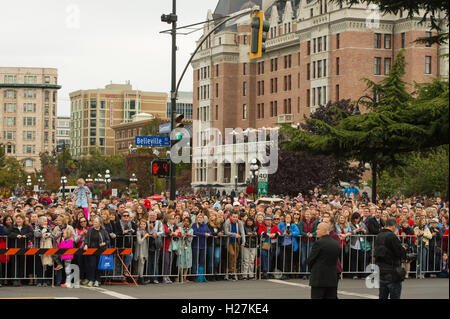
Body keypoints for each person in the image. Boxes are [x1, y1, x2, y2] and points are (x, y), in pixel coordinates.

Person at [374, 217, 407, 299]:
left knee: (382, 296)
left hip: (381, 269)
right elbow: (399, 252)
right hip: (392, 271)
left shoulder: (379, 235)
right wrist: (403, 249)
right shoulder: (392, 236)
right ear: (393, 226)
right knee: (394, 296)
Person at [307, 222, 340, 299]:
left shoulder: (319, 243)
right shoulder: (336, 243)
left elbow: (310, 260)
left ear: (325, 230)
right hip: (332, 278)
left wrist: (312, 269)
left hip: (319, 278)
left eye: (318, 229)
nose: (316, 231)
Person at [83, 216, 110, 287]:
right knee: (92, 265)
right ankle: (91, 280)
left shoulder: (103, 231)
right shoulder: (90, 230)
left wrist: (104, 243)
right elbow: (86, 238)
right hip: (91, 250)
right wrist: (86, 245)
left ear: (100, 223)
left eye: (96, 222)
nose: (94, 223)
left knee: (98, 266)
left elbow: (108, 240)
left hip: (100, 250)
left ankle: (98, 280)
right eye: (94, 222)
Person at [224, 211, 246, 281]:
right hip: (229, 241)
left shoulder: (239, 222)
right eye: (233, 217)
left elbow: (242, 232)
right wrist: (234, 234)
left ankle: (232, 273)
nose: (235, 218)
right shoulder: (227, 222)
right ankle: (231, 272)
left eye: (236, 217)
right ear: (231, 216)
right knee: (232, 254)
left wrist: (243, 241)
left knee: (235, 258)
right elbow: (226, 232)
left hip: (236, 242)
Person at [258, 215, 282, 279]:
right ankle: (265, 272)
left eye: (269, 220)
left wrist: (275, 234)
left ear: (271, 221)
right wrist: (267, 234)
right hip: (264, 245)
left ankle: (268, 272)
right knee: (264, 257)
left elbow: (280, 232)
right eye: (267, 220)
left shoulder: (274, 226)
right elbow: (260, 232)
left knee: (270, 259)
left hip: (272, 245)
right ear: (264, 221)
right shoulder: (262, 226)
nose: (268, 221)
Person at [278, 213, 300, 279]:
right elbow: (278, 231)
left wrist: (291, 233)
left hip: (290, 244)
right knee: (282, 259)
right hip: (282, 244)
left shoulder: (293, 225)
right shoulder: (281, 224)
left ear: (291, 219)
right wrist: (282, 233)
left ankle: (287, 274)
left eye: (289, 217)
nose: (287, 219)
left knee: (288, 259)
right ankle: (284, 273)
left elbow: (298, 232)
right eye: (286, 217)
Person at [191, 213, 211, 281]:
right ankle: (194, 276)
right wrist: (204, 234)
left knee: (202, 261)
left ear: (203, 218)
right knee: (195, 261)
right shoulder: (194, 225)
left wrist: (208, 234)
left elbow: (209, 232)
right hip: (196, 245)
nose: (200, 219)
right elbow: (194, 232)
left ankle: (201, 276)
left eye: (201, 217)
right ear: (197, 218)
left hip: (203, 245)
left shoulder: (205, 225)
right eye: (198, 217)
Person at [298, 210, 317, 279]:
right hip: (303, 242)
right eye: (306, 214)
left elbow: (316, 231)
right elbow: (300, 231)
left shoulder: (314, 222)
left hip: (311, 241)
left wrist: (312, 234)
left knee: (310, 257)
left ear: (311, 215)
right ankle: (304, 273)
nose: (307, 216)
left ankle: (309, 273)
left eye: (308, 214)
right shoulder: (301, 222)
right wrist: (306, 234)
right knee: (303, 258)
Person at [178, 216, 193, 283]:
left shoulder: (191, 230)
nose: (186, 222)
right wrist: (182, 235)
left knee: (187, 262)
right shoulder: (180, 228)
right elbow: (179, 235)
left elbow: (190, 239)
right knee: (180, 262)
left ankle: (184, 277)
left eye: (187, 221)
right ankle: (180, 277)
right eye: (185, 221)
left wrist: (187, 236)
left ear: (189, 223)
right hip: (181, 246)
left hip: (188, 247)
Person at [135, 219, 149, 285]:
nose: (142, 225)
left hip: (144, 249)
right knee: (140, 264)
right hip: (140, 250)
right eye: (141, 224)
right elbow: (139, 241)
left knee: (142, 264)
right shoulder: (138, 232)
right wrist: (144, 237)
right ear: (139, 225)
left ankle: (141, 277)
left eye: (144, 224)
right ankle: (140, 277)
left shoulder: (146, 231)